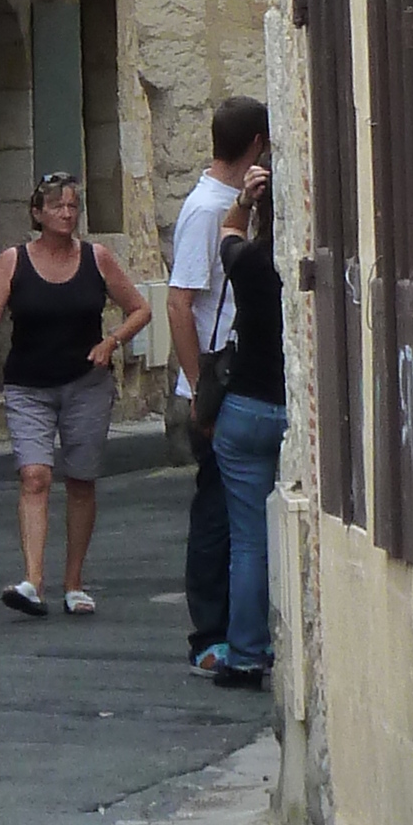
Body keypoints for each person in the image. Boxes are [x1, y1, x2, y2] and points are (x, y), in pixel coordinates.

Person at [0, 173, 151, 617]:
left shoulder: (98, 258)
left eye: (73, 206)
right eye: (57, 206)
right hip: (28, 386)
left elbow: (141, 309)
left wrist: (111, 342)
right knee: (34, 476)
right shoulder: (13, 261)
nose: (67, 213)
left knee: (80, 479)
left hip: (86, 384)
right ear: (37, 213)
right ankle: (33, 581)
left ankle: (74, 582)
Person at [168, 96, 269, 664]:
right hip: (217, 387)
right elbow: (180, 304)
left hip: (228, 384)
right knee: (216, 516)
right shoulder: (209, 211)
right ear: (257, 144)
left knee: (232, 516)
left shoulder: (225, 205)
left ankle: (227, 629)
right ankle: (210, 635)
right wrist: (195, 387)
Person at [203, 157, 287, 688]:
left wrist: (245, 196)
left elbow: (228, 230)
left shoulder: (250, 264)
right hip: (292, 407)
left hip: (246, 407)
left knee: (249, 540)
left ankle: (246, 652)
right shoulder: (294, 266)